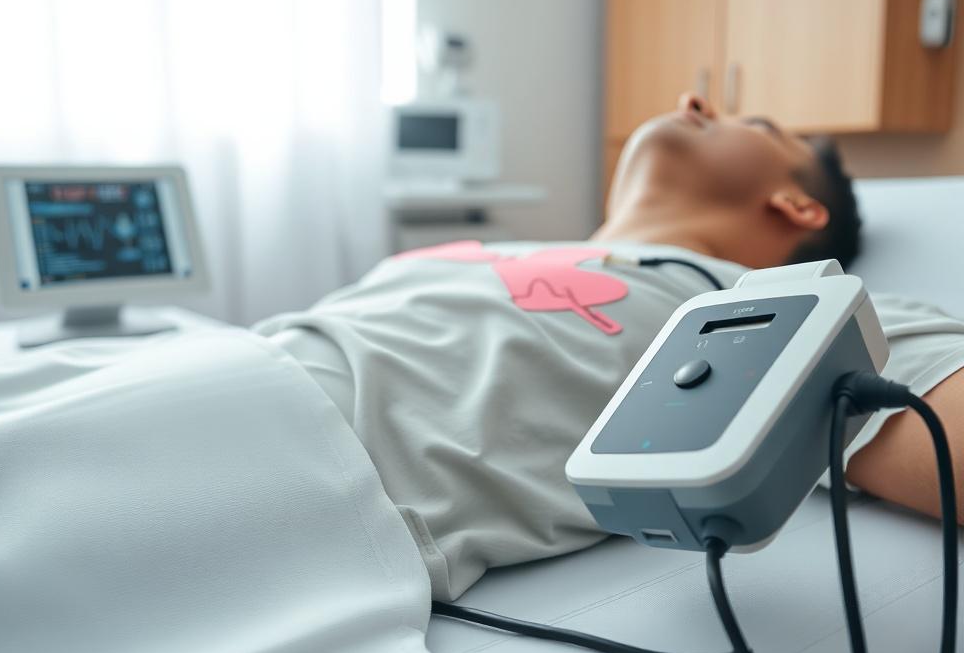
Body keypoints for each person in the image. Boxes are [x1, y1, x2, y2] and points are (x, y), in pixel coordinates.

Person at [255, 92, 964, 601]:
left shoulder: (785, 306)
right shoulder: (474, 251)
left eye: (753, 124)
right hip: (230, 370)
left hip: (295, 482)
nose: (695, 98)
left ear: (797, 205)